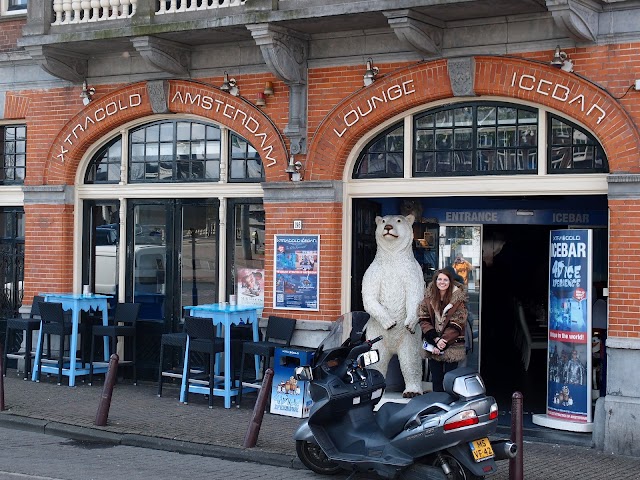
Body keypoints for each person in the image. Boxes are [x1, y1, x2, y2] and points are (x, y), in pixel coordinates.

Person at [418, 268, 468, 392]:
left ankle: (450, 407)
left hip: (452, 346)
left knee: (450, 380)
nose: (442, 282)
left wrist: (442, 342)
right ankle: (437, 406)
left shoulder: (458, 300)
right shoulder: (428, 299)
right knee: (436, 380)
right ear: (435, 281)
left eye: (445, 280)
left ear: (450, 282)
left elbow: (458, 322)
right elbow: (423, 319)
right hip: (433, 344)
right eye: (439, 279)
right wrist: (435, 340)